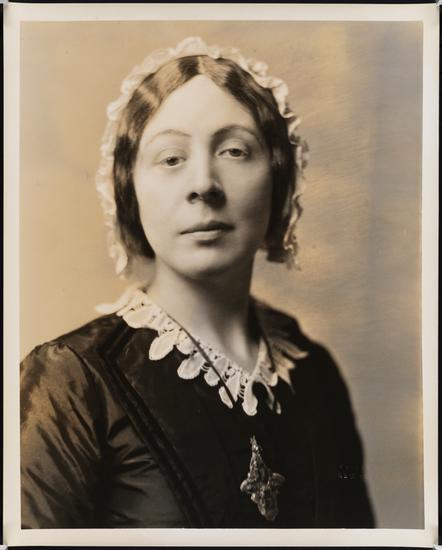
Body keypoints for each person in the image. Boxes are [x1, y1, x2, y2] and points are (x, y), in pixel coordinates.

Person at [20, 37, 375, 529]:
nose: (203, 184)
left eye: (234, 151)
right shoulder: (72, 381)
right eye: (171, 158)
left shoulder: (312, 371)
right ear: (129, 189)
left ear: (278, 178)